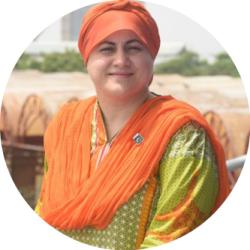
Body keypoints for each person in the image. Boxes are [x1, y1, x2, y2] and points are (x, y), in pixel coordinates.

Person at [35, 0, 230, 249]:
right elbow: (43, 210)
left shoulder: (183, 134)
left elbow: (173, 235)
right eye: (106, 49)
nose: (121, 60)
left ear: (151, 58)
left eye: (134, 48)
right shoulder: (65, 125)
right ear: (87, 58)